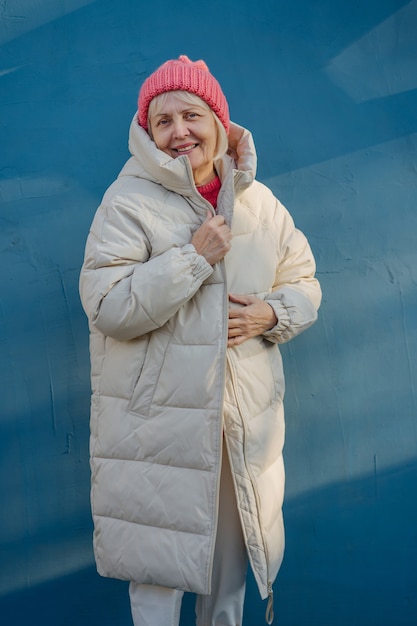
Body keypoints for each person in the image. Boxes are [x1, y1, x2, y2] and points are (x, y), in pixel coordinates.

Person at [79, 55, 321, 626]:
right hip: (156, 434)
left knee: (229, 588)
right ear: (147, 133)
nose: (179, 131)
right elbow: (108, 305)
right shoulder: (127, 202)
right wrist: (194, 258)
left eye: (191, 114)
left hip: (240, 429)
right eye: (163, 121)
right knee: (158, 592)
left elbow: (305, 282)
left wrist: (272, 313)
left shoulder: (261, 205)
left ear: (218, 120)